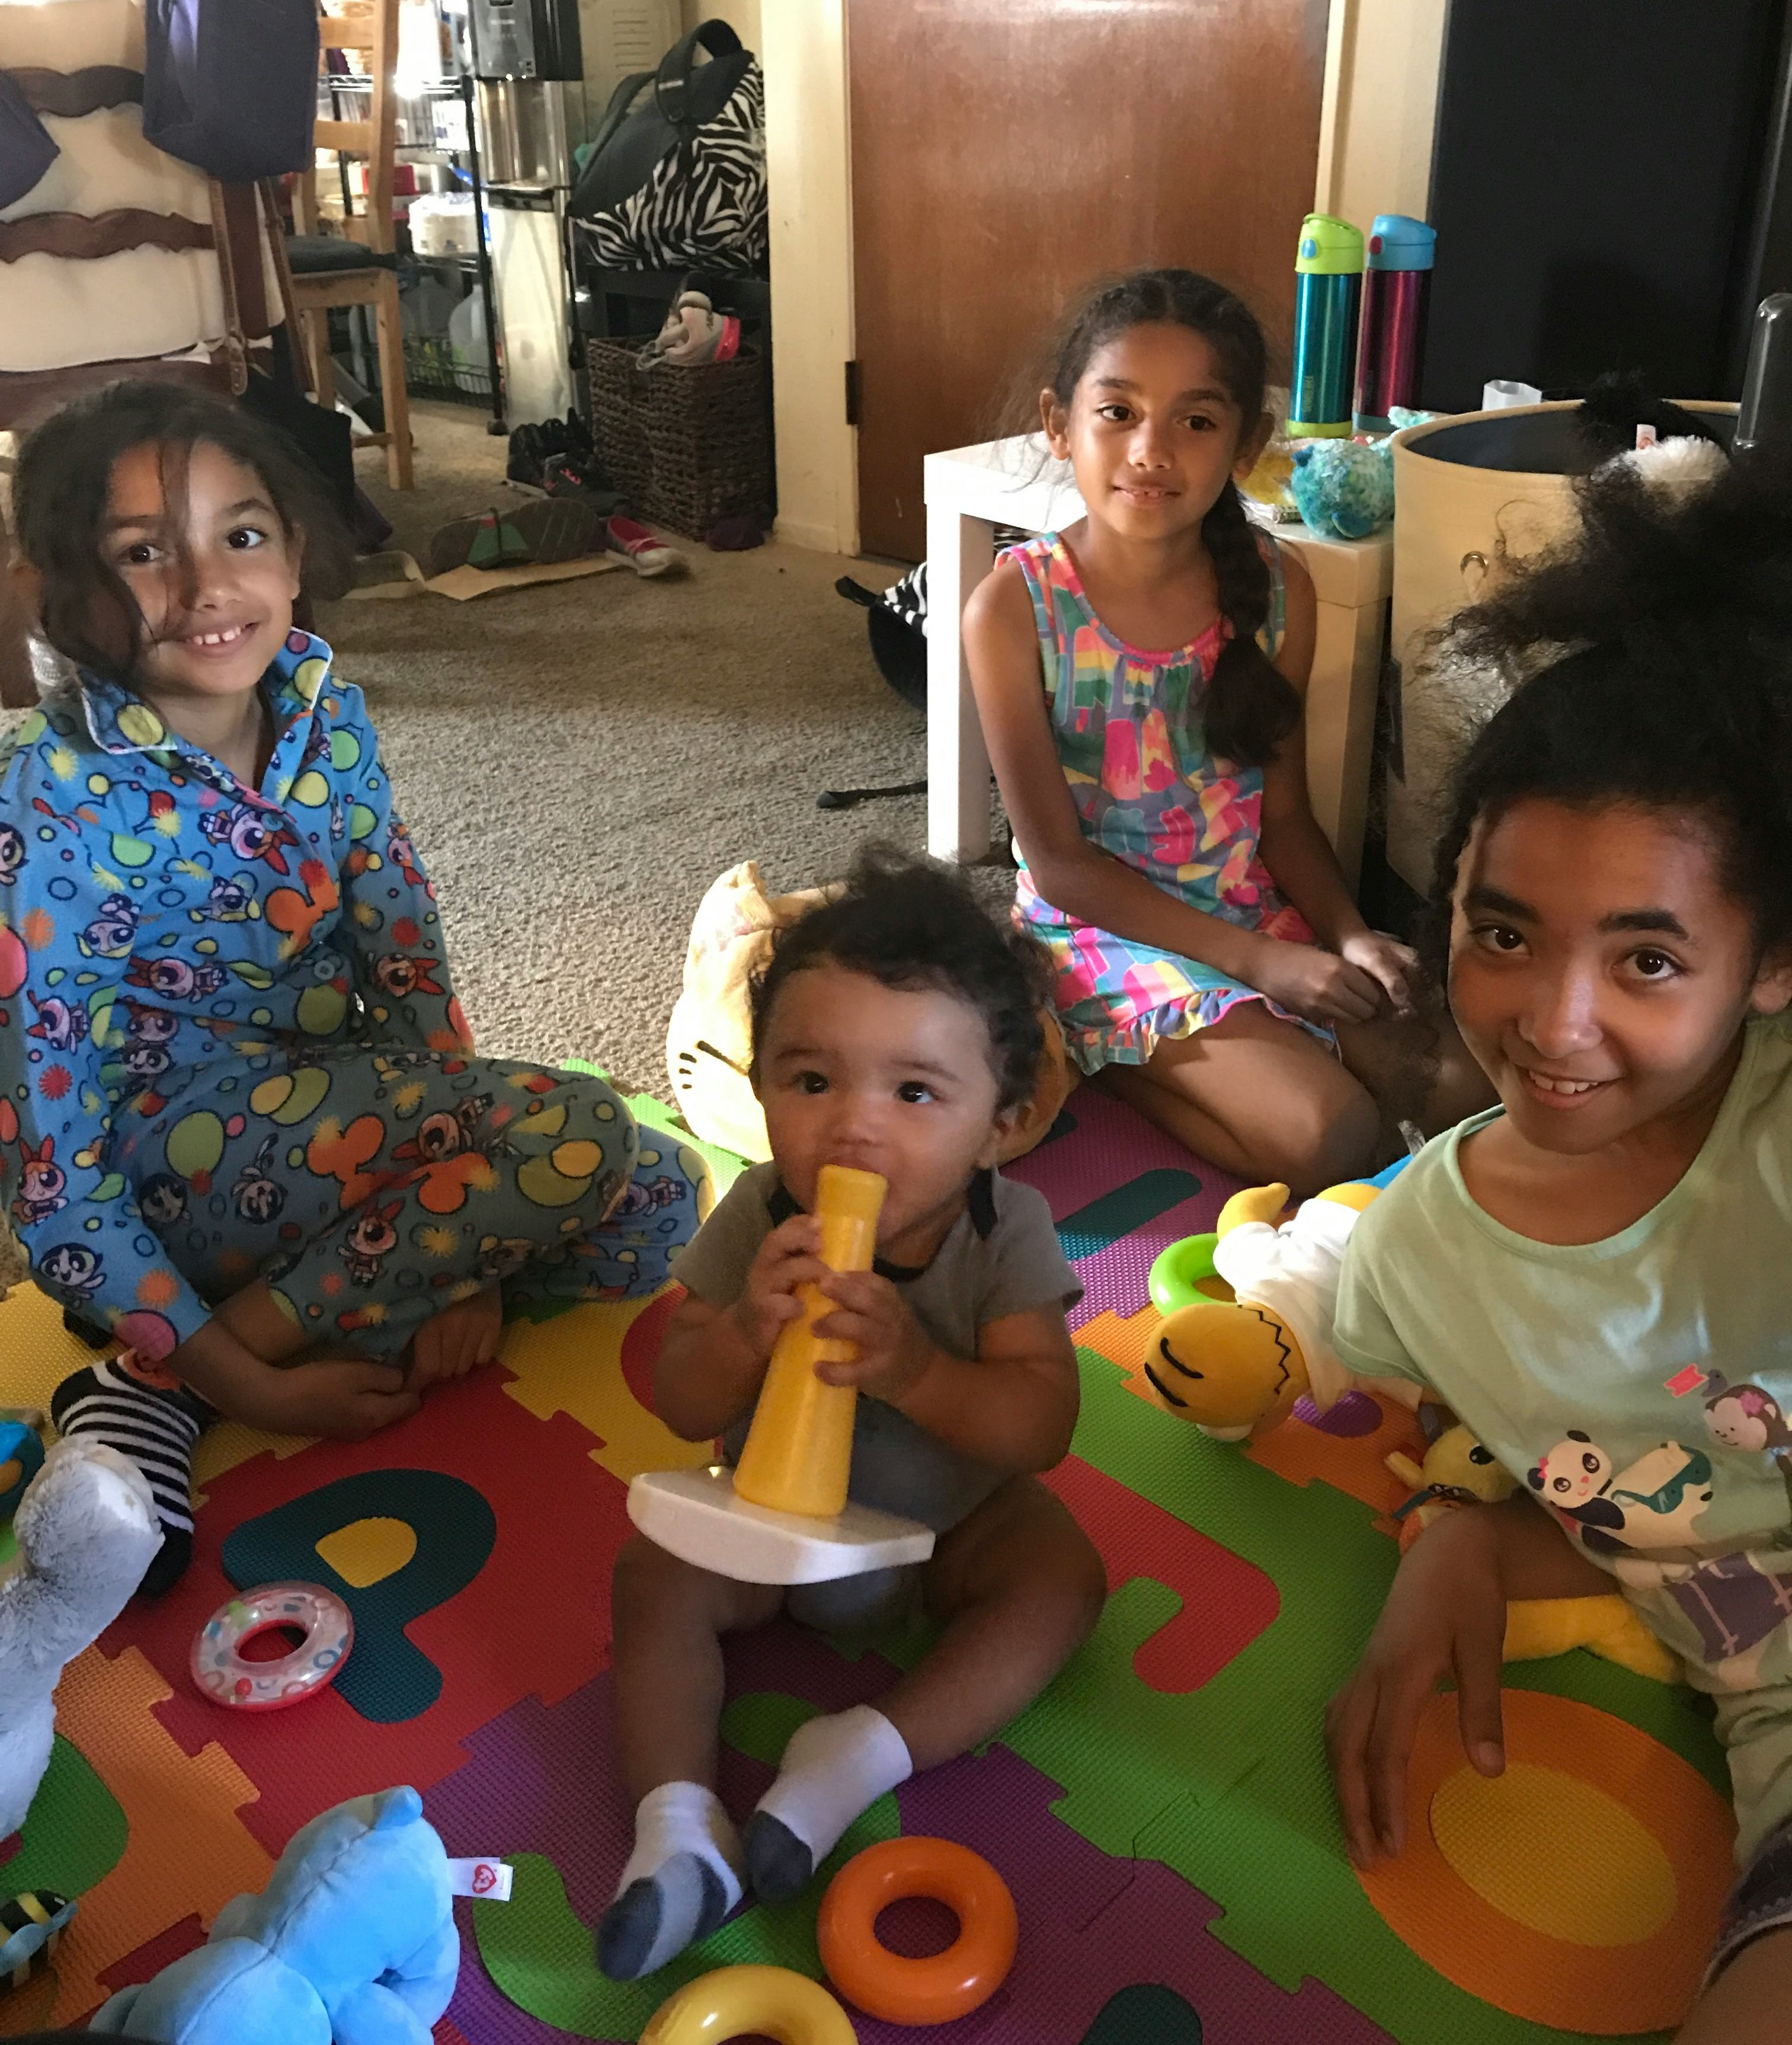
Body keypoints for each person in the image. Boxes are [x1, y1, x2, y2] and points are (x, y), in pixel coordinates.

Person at [1, 381, 703, 1595]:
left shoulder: (327, 713)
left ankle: (266, 1319)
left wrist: (469, 1262)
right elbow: (54, 1175)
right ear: (59, 587)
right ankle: (177, 1369)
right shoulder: (44, 799)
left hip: (342, 1119)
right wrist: (261, 1391)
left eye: (243, 533)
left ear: (295, 550)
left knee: (659, 1200)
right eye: (142, 553)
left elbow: (407, 960)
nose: (208, 585)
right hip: (178, 1171)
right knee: (579, 1125)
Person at [1323, 444, 1792, 2041]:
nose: (1559, 1022)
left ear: (1771, 963)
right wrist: (1457, 1521)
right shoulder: (1418, 1260)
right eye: (1505, 931)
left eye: (1648, 957)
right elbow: (1622, 1467)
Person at [600, 851, 1105, 1980]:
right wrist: (737, 1335)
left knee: (1062, 1578)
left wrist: (918, 1370)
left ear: (1001, 1121)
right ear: (762, 1083)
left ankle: (856, 1756)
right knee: (651, 1572)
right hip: (770, 1524)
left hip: (951, 1532)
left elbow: (1042, 1429)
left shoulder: (1002, 1229)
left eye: (914, 1092)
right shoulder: (760, 1213)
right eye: (812, 1080)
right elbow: (679, 1400)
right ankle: (676, 1829)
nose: (853, 1128)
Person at [965, 268, 1490, 1197]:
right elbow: (1058, 865)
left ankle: (1229, 1043)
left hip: (1248, 907)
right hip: (1100, 932)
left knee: (1463, 1091)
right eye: (1118, 412)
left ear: (1248, 443)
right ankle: (1104, 1050)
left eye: (1196, 422)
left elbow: (1281, 817)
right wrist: (1265, 967)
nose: (1152, 450)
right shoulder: (1015, 607)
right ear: (1060, 423)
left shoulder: (1279, 588)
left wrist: (1350, 934)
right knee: (1335, 1134)